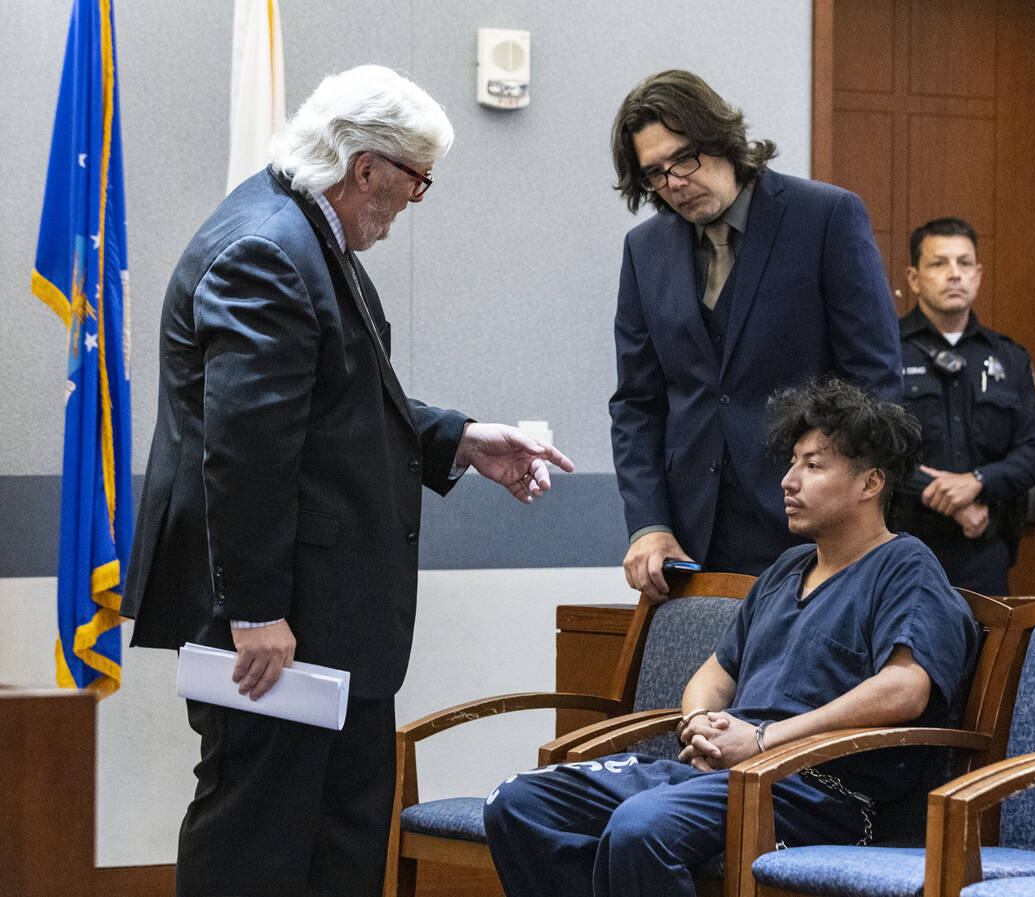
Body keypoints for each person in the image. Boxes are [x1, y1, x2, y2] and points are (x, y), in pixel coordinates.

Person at [120, 66, 573, 897]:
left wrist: (462, 439)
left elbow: (341, 402)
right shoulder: (269, 247)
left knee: (338, 838)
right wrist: (257, 610)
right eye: (415, 181)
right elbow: (247, 451)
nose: (411, 205)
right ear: (368, 167)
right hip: (278, 627)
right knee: (259, 841)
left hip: (326, 622)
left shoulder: (304, 234)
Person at [485, 380, 979, 897]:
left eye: (813, 465)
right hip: (730, 772)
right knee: (518, 802)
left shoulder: (905, 566)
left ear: (870, 482)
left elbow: (904, 688)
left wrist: (763, 740)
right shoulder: (788, 569)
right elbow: (715, 673)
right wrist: (699, 724)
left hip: (819, 791)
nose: (788, 481)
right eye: (791, 461)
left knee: (641, 827)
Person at [607, 69, 902, 603]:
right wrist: (647, 522)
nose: (674, 182)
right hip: (690, 537)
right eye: (654, 173)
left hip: (812, 526)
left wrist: (841, 498)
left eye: (684, 158)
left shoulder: (825, 216)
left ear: (723, 140)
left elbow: (874, 382)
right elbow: (636, 404)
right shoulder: (643, 250)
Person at [887, 217, 1035, 595]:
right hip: (899, 545)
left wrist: (976, 484)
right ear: (913, 278)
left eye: (964, 263)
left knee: (986, 653)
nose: (954, 274)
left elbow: (1034, 450)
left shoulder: (1008, 358)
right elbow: (867, 446)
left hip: (983, 546)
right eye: (939, 263)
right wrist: (951, 498)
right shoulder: (884, 351)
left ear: (977, 274)